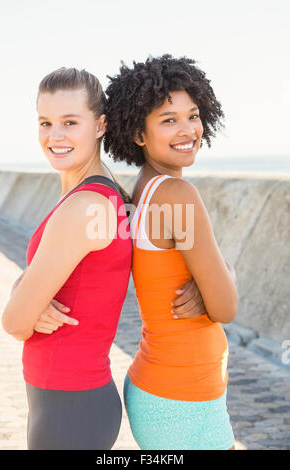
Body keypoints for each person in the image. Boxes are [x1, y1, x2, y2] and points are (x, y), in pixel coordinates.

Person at [104, 54, 238, 450]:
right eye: (168, 119)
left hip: (167, 392)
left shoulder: (143, 190)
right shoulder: (177, 193)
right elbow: (227, 307)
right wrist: (225, 271)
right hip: (184, 403)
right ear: (139, 135)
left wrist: (207, 279)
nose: (187, 130)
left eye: (193, 115)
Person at [1, 67, 133, 450]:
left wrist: (24, 300)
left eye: (70, 122)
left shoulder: (85, 207)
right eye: (45, 122)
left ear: (100, 125)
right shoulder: (91, 195)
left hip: (70, 406)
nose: (54, 136)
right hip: (67, 401)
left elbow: (14, 323)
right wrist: (23, 288)